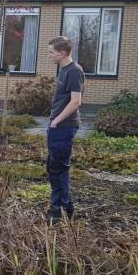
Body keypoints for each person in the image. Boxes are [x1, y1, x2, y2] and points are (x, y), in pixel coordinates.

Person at [46, 36, 84, 224]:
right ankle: (66, 208)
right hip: (57, 125)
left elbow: (76, 101)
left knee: (58, 169)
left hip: (64, 126)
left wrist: (56, 121)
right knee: (53, 168)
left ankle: (58, 212)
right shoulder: (63, 70)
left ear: (62, 53)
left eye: (51, 52)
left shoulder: (74, 71)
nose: (49, 55)